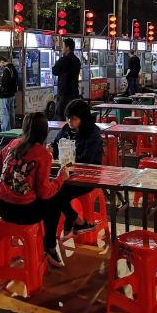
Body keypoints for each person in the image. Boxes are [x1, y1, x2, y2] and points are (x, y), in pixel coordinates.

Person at [0, 112, 70, 267]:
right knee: (56, 200)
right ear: (45, 131)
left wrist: (5, 187)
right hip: (26, 213)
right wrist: (61, 178)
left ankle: (72, 226)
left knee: (50, 198)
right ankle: (50, 246)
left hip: (3, 208)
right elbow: (44, 193)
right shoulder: (43, 154)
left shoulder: (13, 144)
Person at [50, 100, 102, 238]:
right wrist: (51, 148)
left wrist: (66, 159)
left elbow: (86, 160)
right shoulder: (66, 129)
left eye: (74, 119)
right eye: (68, 118)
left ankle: (71, 224)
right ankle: (73, 224)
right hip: (68, 175)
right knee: (51, 191)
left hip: (87, 177)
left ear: (83, 118)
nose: (69, 121)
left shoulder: (92, 134)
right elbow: (55, 145)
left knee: (56, 194)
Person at [52, 38, 82, 120]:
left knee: (61, 116)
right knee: (73, 115)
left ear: (67, 47)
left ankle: (63, 128)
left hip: (64, 93)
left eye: (63, 46)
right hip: (74, 92)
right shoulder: (77, 60)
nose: (62, 48)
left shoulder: (64, 59)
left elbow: (55, 71)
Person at [0, 56, 18, 132]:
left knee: (5, 114)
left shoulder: (6, 70)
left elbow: (5, 83)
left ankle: (5, 132)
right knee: (11, 113)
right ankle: (12, 131)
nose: (0, 65)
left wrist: (0, 80)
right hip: (12, 94)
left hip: (5, 95)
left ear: (2, 61)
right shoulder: (13, 68)